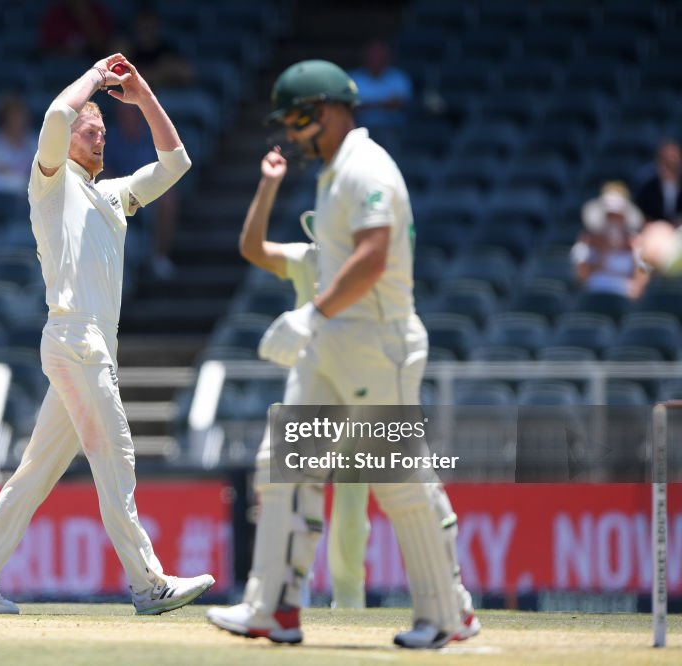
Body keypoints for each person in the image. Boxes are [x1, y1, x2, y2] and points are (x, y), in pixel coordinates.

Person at [206, 60, 479, 649]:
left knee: (399, 481)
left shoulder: (368, 167)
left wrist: (312, 312)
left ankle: (447, 615)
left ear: (324, 111)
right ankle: (272, 608)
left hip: (377, 346)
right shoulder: (334, 172)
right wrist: (320, 323)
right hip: (335, 346)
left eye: (298, 120)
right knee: (282, 466)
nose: (294, 134)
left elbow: (374, 256)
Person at [0, 53, 214, 615]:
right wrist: (95, 75)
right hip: (76, 338)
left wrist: (141, 95)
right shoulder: (51, 183)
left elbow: (176, 163)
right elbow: (53, 118)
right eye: (90, 132)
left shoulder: (113, 196)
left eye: (103, 134)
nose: (98, 141)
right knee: (116, 457)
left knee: (37, 470)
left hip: (87, 346)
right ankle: (148, 583)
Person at [236, 153, 369, 610]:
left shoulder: (368, 264)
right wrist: (268, 185)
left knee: (352, 519)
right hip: (311, 394)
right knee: (290, 499)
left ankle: (349, 608)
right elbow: (252, 249)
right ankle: (286, 599)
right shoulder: (307, 257)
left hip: (362, 397)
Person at [104, 103, 179, 279]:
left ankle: (159, 256)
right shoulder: (110, 138)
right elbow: (102, 171)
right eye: (122, 114)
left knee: (169, 199)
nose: (127, 118)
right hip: (121, 192)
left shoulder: (155, 135)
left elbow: (167, 169)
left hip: (151, 190)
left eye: (131, 113)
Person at [571, 181, 649, 300]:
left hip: (624, 297)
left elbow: (643, 274)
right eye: (610, 214)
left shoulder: (635, 242)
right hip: (594, 295)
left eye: (617, 214)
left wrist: (636, 255)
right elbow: (581, 277)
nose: (613, 219)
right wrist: (602, 252)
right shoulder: (588, 240)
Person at [349, 40, 412, 154]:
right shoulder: (354, 78)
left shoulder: (398, 77)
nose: (377, 60)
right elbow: (351, 106)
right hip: (360, 126)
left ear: (388, 58)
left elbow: (398, 104)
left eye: (380, 57)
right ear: (366, 57)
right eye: (373, 56)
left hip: (392, 127)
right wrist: (383, 104)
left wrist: (366, 105)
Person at [0, 96, 37, 195]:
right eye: (13, 117)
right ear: (5, 118)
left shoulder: (33, 140)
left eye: (20, 116)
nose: (17, 121)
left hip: (26, 187)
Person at [39, 0, 114, 60]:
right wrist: (67, 51)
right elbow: (46, 48)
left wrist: (84, 16)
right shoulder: (56, 13)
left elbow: (101, 47)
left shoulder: (99, 12)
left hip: (90, 64)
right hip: (60, 64)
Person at [634, 139, 682, 225]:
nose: (671, 166)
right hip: (655, 231)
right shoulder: (646, 186)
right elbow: (640, 214)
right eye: (667, 162)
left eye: (674, 162)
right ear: (658, 162)